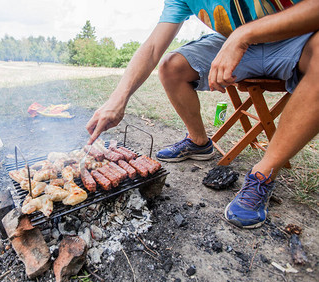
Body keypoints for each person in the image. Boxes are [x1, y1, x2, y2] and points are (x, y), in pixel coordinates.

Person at [85, 0, 319, 229]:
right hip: (232, 42)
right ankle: (198, 142)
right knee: (171, 66)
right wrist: (118, 99)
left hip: (296, 38)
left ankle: (264, 172)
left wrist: (243, 35)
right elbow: (154, 47)